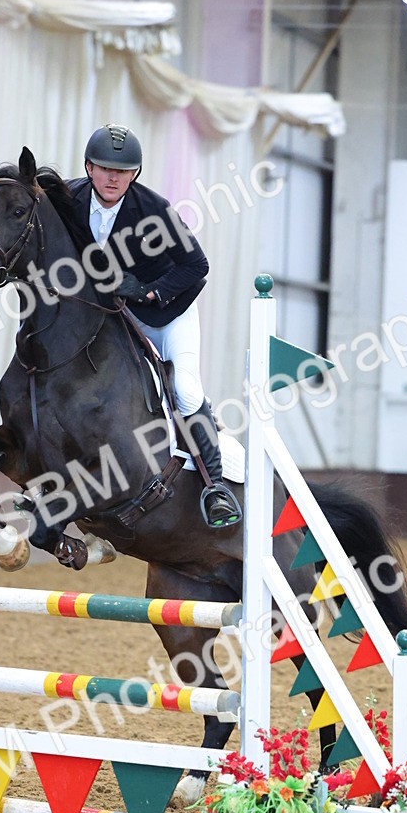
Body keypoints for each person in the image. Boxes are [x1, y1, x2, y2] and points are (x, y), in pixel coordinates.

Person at [68, 123, 241, 528]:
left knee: (183, 388)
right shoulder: (71, 199)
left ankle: (216, 487)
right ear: (89, 168)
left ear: (135, 174)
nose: (113, 177)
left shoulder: (154, 210)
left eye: (123, 171)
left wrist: (149, 291)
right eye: (105, 168)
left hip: (168, 315)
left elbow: (197, 265)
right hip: (116, 317)